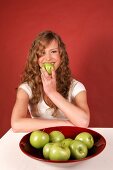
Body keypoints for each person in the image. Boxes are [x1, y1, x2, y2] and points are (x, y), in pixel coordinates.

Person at [11, 30, 90, 132]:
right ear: (36, 58)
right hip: (40, 143)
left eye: (53, 51)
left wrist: (52, 92)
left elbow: (83, 122)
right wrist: (65, 124)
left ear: (61, 55)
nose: (48, 58)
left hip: (68, 142)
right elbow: (16, 124)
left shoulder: (76, 87)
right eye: (42, 53)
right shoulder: (26, 88)